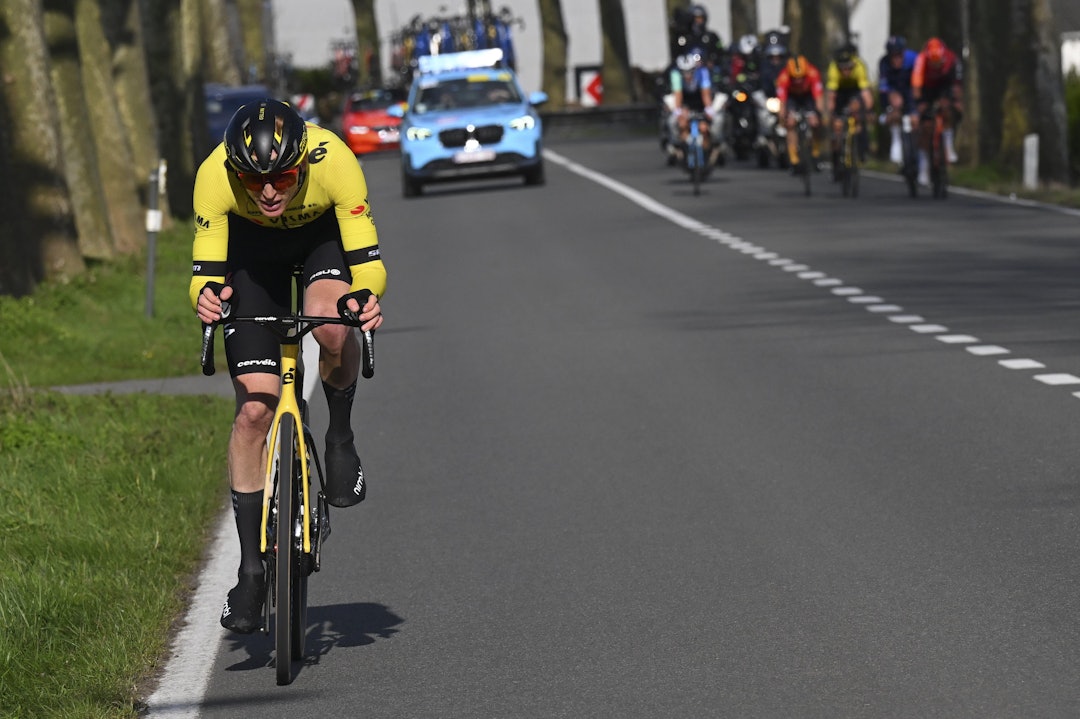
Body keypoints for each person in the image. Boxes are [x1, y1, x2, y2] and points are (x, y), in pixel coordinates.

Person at [190, 99, 386, 634]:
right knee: (255, 409)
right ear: (235, 174)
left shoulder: (336, 160)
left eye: (283, 177)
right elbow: (205, 271)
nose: (269, 191)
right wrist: (206, 298)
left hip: (320, 241)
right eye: (253, 183)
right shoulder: (212, 176)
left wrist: (361, 299)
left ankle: (340, 437)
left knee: (331, 322)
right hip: (251, 257)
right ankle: (251, 572)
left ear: (303, 161)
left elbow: (368, 264)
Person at [911, 36, 964, 185]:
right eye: (932, 62)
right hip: (927, 89)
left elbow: (957, 85)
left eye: (938, 62)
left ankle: (948, 144)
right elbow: (916, 86)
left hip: (944, 86)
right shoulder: (921, 60)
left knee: (949, 111)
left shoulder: (952, 59)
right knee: (926, 125)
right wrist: (919, 103)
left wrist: (955, 101)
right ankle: (923, 166)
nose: (935, 65)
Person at [825, 42, 875, 174]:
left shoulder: (859, 66)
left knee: (858, 111)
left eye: (849, 68)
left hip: (854, 91)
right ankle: (836, 157)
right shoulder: (833, 69)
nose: (846, 71)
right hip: (840, 92)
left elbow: (866, 94)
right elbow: (831, 97)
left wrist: (868, 111)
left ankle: (861, 148)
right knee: (837, 125)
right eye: (843, 69)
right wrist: (832, 115)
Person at [776, 54, 826, 174]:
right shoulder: (783, 76)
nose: (798, 80)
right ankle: (794, 160)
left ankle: (815, 154)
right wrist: (783, 117)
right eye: (795, 78)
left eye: (801, 78)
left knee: (814, 122)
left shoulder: (813, 73)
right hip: (792, 98)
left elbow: (818, 97)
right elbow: (782, 101)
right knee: (790, 123)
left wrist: (819, 114)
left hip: (808, 97)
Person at [666, 51, 715, 161]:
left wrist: (708, 109)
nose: (687, 75)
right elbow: (678, 94)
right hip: (685, 103)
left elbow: (705, 94)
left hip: (699, 102)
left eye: (690, 72)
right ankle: (683, 149)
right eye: (684, 72)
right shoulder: (675, 74)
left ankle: (708, 152)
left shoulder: (702, 72)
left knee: (704, 128)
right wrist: (678, 111)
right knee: (682, 124)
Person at [877, 35, 918, 164]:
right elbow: (883, 86)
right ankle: (896, 140)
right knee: (893, 108)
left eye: (899, 55)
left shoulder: (913, 59)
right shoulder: (884, 63)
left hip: (911, 87)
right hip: (894, 90)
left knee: (916, 117)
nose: (896, 59)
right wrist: (890, 99)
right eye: (892, 56)